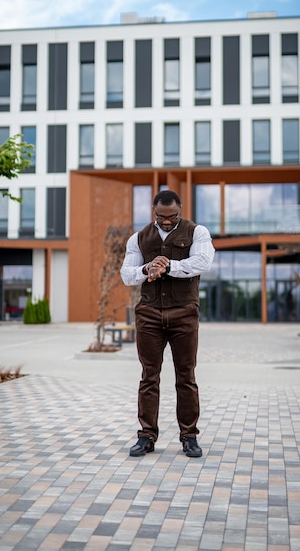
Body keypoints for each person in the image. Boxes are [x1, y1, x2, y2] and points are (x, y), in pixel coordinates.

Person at [120, 190, 215, 458]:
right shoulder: (137, 238)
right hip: (149, 314)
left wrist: (168, 266)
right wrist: (147, 268)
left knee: (186, 377)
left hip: (184, 313)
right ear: (154, 211)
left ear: (180, 210)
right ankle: (147, 436)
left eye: (172, 216)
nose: (166, 221)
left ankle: (189, 437)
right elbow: (127, 274)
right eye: (161, 216)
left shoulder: (198, 232)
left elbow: (203, 262)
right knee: (149, 376)